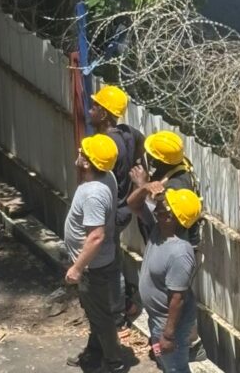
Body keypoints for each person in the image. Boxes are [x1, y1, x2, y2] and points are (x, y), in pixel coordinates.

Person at [128, 130, 207, 362]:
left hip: (179, 246)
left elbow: (177, 298)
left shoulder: (175, 187)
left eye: (151, 156)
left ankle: (189, 345)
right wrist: (144, 188)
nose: (147, 159)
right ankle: (174, 346)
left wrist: (143, 185)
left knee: (175, 294)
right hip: (170, 244)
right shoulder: (176, 168)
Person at [63, 134, 126, 373]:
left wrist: (77, 268)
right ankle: (95, 351)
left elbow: (96, 236)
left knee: (101, 316)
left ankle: (113, 363)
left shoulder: (93, 194)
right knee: (96, 311)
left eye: (83, 151)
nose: (79, 151)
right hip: (97, 262)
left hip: (93, 267)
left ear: (89, 163)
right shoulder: (107, 176)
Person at [88, 85, 145, 332]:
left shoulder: (105, 144)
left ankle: (118, 313)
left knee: (110, 267)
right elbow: (142, 145)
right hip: (123, 208)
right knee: (113, 260)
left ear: (105, 114)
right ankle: (121, 304)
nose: (90, 110)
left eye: (95, 107)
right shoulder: (128, 134)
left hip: (109, 212)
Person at [130, 187, 202, 373]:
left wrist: (168, 336)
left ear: (172, 217)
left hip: (169, 326)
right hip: (157, 319)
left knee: (176, 368)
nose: (159, 205)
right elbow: (133, 204)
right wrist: (144, 188)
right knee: (165, 361)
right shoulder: (158, 229)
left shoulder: (180, 253)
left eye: (165, 206)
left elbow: (178, 298)